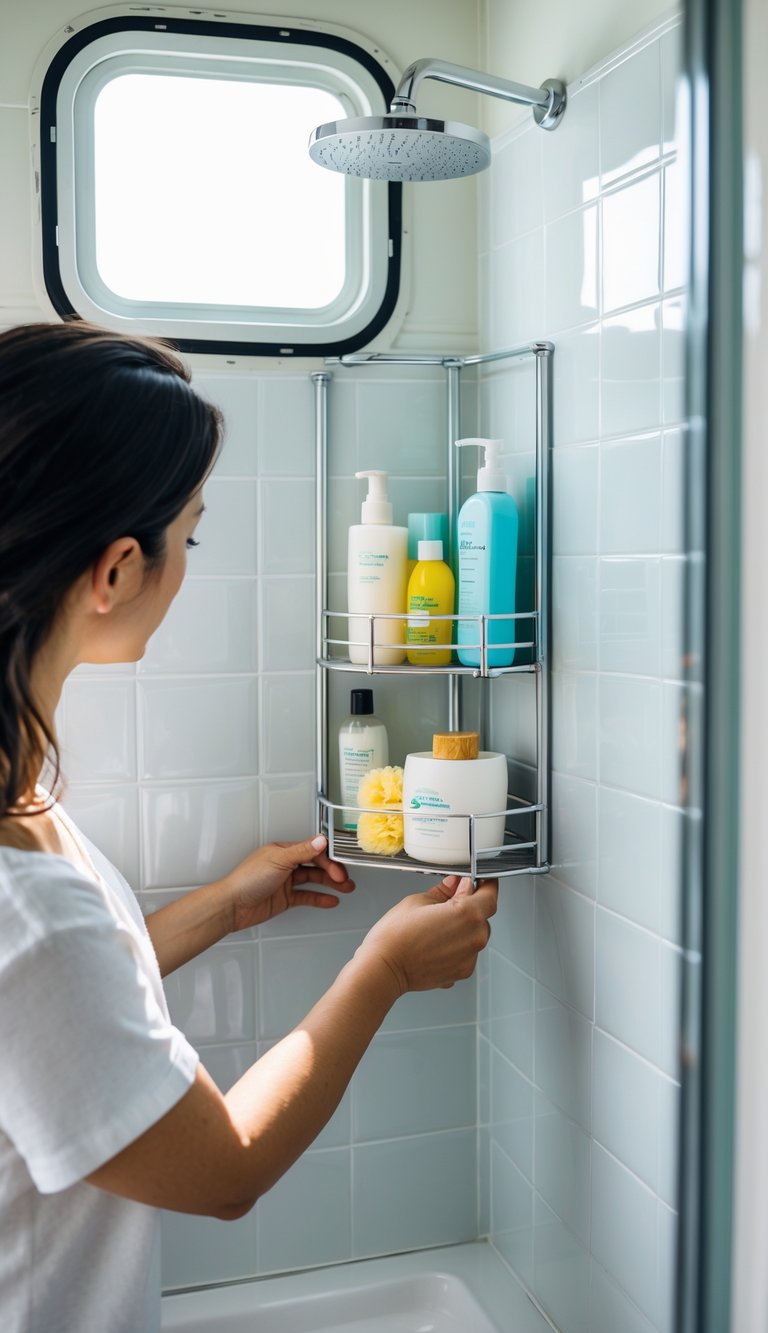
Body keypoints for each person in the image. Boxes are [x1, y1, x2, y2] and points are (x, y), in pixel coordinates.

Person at [0, 320, 498, 1333]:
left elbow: (63, 1018)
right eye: (192, 535)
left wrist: (224, 908)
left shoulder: (20, 783)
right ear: (115, 571)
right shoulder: (22, 897)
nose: (190, 562)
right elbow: (224, 1167)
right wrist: (384, 970)